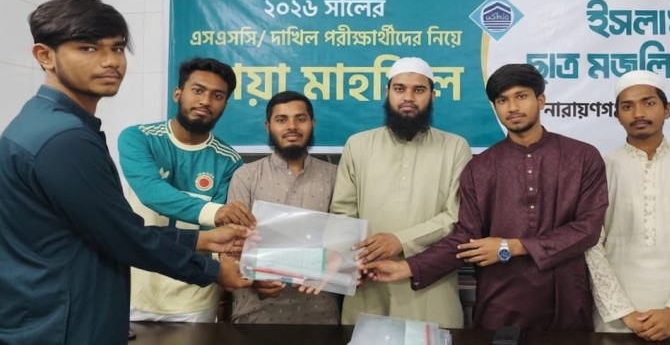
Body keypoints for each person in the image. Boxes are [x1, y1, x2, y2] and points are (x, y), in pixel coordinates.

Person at [0, 0, 252, 345]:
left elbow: (110, 228)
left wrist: (201, 239)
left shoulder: (53, 124)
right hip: (62, 324)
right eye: (88, 48)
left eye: (117, 48)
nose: (110, 61)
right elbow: (125, 235)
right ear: (45, 56)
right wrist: (211, 269)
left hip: (68, 313)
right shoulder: (64, 138)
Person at [361, 63, 609, 330]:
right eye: (502, 100)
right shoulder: (480, 168)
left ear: (541, 100)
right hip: (501, 300)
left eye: (521, 96)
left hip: (567, 298)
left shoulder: (582, 157)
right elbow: (465, 237)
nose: (512, 107)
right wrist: (408, 268)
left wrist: (511, 246)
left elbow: (587, 230)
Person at [329, 57, 472, 328]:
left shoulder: (455, 147)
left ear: (432, 95)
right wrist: (351, 261)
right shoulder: (358, 145)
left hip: (430, 287)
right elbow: (343, 213)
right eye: (399, 89)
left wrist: (400, 240)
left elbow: (455, 216)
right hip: (369, 283)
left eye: (419, 90)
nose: (408, 97)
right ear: (387, 93)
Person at [584, 70, 670, 344]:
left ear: (667, 109)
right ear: (617, 115)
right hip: (614, 318)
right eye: (627, 106)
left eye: (648, 103)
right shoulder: (598, 170)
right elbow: (591, 246)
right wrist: (624, 312)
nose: (638, 113)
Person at [118, 57, 254, 322]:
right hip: (135, 290)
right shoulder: (138, 138)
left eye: (217, 95)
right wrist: (217, 211)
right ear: (177, 93)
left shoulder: (230, 161)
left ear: (225, 105)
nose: (205, 101)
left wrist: (230, 264)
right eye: (198, 90)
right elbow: (150, 192)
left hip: (194, 297)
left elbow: (217, 234)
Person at [226, 91, 340, 324]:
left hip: (319, 311)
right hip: (255, 312)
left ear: (313, 123)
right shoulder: (246, 176)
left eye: (300, 119)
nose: (292, 127)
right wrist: (253, 280)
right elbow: (232, 245)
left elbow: (343, 241)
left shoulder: (335, 176)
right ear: (268, 126)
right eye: (281, 120)